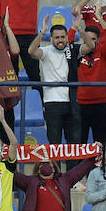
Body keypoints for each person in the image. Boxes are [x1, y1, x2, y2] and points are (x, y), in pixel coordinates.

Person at [28, 16, 79, 146]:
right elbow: (31, 51)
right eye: (57, 37)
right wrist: (42, 31)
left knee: (72, 146)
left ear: (67, 37)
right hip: (52, 103)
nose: (60, 40)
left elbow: (90, 46)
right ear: (51, 39)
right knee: (54, 145)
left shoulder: (72, 50)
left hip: (71, 102)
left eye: (63, 37)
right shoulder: (46, 51)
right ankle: (55, 167)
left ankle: (72, 168)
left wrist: (79, 29)